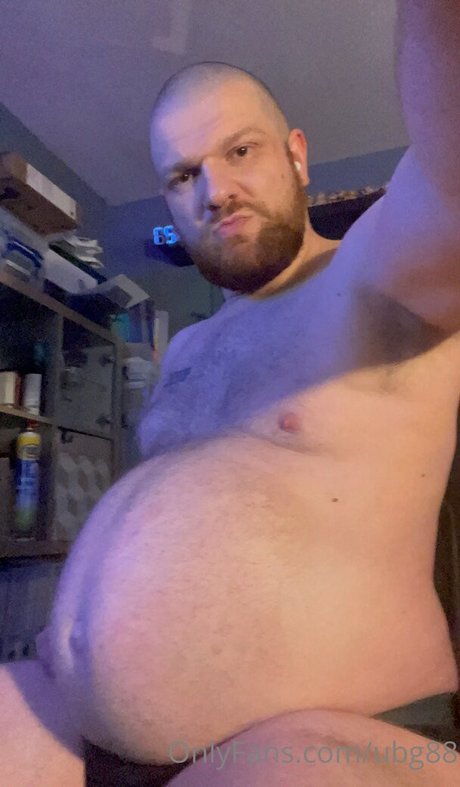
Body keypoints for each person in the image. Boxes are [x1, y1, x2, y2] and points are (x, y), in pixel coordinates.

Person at [2, 2, 460, 784]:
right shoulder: (186, 350)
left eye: (240, 150)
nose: (214, 190)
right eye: (183, 176)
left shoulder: (376, 276)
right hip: (83, 726)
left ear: (297, 156)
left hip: (316, 737)